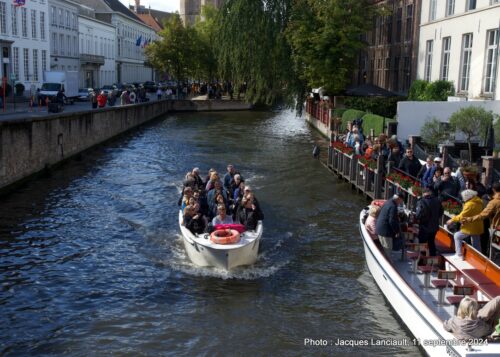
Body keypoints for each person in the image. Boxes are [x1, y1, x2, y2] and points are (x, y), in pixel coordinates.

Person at [463, 181, 500, 255]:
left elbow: (482, 215)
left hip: (496, 230)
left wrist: (468, 219)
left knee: (492, 250)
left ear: (493, 190)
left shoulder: (494, 202)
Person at [447, 189, 484, 259]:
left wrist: (452, 220)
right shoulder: (479, 202)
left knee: (457, 236)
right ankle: (479, 258)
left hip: (470, 225)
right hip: (478, 225)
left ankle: (459, 254)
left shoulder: (469, 204)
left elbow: (462, 215)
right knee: (476, 242)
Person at [375, 193, 404, 260]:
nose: (401, 203)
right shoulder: (393, 206)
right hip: (385, 231)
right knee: (387, 249)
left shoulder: (388, 201)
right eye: (401, 201)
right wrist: (397, 231)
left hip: (380, 228)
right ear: (398, 199)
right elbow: (392, 221)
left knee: (384, 248)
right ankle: (388, 263)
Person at [415, 187, 443, 256]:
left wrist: (419, 219)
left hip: (425, 226)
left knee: (422, 243)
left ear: (423, 193)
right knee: (431, 242)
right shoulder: (437, 200)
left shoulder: (421, 201)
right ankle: (432, 258)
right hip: (434, 226)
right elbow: (441, 212)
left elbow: (418, 215)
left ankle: (422, 259)